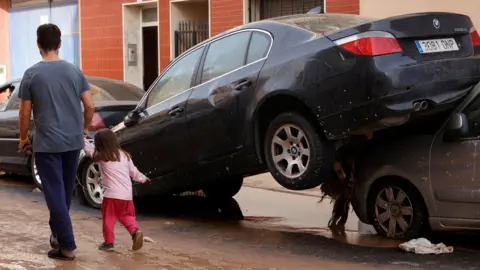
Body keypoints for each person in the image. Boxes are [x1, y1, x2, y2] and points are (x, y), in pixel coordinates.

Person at [18, 23, 95, 260]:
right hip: (73, 142)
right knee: (62, 193)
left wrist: (23, 138)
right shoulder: (75, 71)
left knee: (54, 194)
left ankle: (68, 245)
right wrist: (82, 129)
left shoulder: (31, 74)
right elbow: (90, 106)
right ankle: (57, 235)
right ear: (59, 44)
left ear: (38, 45)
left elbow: (24, 112)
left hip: (47, 144)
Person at [83, 128, 150, 251]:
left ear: (99, 144)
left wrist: (82, 138)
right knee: (126, 216)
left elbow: (88, 149)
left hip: (111, 195)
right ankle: (135, 231)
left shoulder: (102, 156)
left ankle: (108, 243)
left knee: (109, 218)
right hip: (126, 195)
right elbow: (134, 172)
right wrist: (143, 178)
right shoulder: (124, 155)